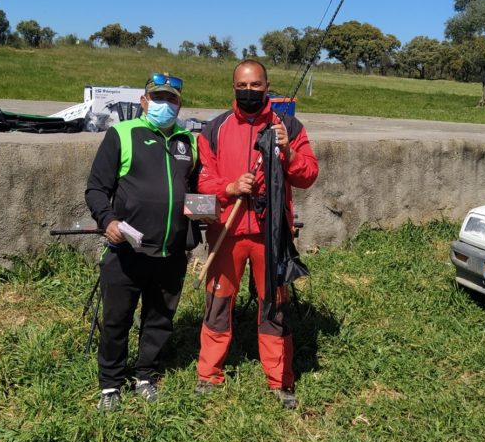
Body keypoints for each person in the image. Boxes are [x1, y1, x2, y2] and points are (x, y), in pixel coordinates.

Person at [195, 59, 319, 409]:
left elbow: (308, 175)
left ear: (268, 86)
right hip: (228, 230)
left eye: (256, 85)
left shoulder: (289, 125)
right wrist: (231, 186)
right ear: (233, 86)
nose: (249, 91)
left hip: (270, 233)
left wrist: (289, 151)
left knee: (274, 306)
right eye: (242, 86)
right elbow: (203, 180)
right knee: (218, 304)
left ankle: (279, 381)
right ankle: (209, 375)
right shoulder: (213, 129)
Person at [85, 73, 198, 411]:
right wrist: (108, 221)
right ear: (144, 102)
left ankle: (146, 375)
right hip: (126, 250)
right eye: (159, 98)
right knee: (117, 319)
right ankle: (110, 384)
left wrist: (202, 208)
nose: (166, 105)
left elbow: (193, 190)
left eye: (173, 99)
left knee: (160, 318)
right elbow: (95, 188)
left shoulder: (186, 142)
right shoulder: (122, 134)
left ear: (180, 104)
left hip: (171, 252)